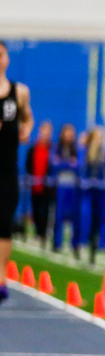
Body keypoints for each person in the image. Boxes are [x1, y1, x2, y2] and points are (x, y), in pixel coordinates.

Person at [0, 39, 33, 306]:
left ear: (7, 59)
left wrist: (26, 130)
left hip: (7, 170)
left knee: (4, 226)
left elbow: (27, 117)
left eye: (0, 54)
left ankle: (1, 280)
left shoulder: (19, 91)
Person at [50, 123, 82, 254]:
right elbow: (54, 165)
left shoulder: (76, 149)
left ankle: (75, 244)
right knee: (58, 216)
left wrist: (63, 163)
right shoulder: (56, 148)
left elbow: (78, 165)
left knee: (76, 216)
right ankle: (57, 243)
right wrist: (68, 164)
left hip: (73, 187)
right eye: (67, 134)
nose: (69, 137)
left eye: (71, 134)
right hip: (60, 186)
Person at [25, 121, 53, 246]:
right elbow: (28, 164)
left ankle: (43, 233)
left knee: (45, 210)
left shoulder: (52, 149)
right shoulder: (33, 148)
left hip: (47, 187)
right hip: (35, 185)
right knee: (36, 210)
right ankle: (38, 232)